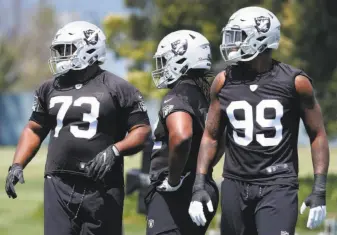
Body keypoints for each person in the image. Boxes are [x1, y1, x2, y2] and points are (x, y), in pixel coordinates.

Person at [188, 6, 329, 235]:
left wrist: (319, 188)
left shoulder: (295, 82)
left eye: (238, 36)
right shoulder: (223, 81)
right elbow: (211, 136)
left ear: (261, 37)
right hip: (234, 184)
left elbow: (317, 134)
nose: (231, 43)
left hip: (278, 184)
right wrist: (199, 183)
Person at [4, 21, 151, 235]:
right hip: (58, 183)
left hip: (102, 185)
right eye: (59, 50)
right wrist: (17, 164)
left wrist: (115, 150)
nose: (61, 55)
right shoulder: (49, 88)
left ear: (89, 48)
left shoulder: (118, 87)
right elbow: (34, 129)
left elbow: (142, 130)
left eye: (67, 49)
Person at [145, 30, 225, 235]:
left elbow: (181, 137)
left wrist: (173, 180)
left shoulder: (178, 95)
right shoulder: (208, 95)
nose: (161, 67)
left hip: (178, 191)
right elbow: (221, 140)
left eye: (165, 61)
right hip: (202, 185)